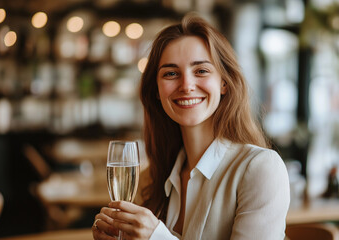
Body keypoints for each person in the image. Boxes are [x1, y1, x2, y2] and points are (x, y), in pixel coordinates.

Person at [92, 14, 290, 240]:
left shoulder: (261, 169)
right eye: (171, 73)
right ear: (156, 91)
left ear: (224, 83)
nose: (186, 85)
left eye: (201, 71)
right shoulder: (151, 178)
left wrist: (156, 237)